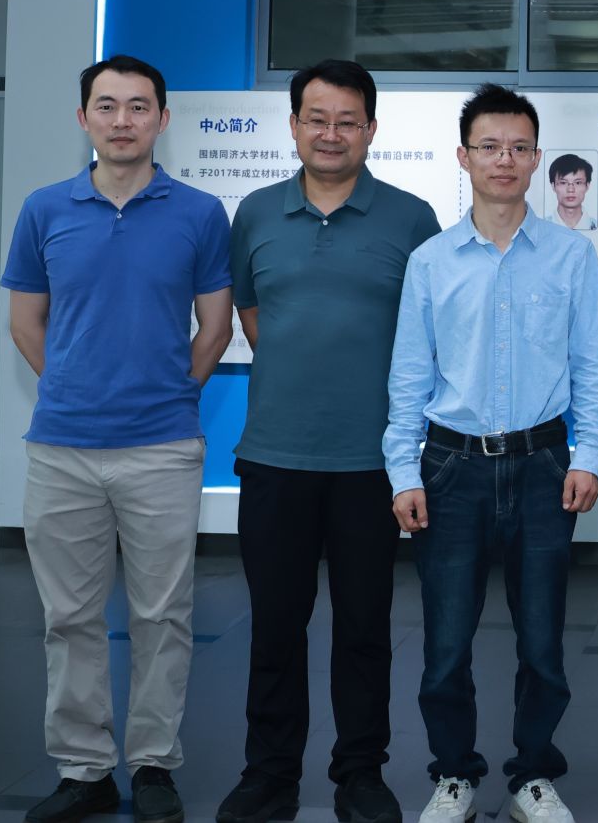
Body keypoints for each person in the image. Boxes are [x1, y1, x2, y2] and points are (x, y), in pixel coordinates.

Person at [2, 55, 234, 823]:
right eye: (107, 105)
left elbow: (215, 326)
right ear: (84, 118)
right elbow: (25, 321)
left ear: (162, 119)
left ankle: (154, 762)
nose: (123, 119)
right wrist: (74, 385)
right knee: (68, 617)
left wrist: (170, 393)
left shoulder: (199, 213)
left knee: (161, 615)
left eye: (139, 106)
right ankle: (84, 769)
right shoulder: (44, 209)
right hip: (61, 447)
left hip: (162, 446)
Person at [216, 60, 442, 823]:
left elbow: (426, 337)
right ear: (293, 125)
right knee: (275, 626)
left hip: (372, 464)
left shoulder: (411, 219)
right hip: (274, 456)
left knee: (365, 627)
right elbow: (254, 317)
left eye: (348, 120)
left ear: (371, 129)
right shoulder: (255, 213)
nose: (331, 133)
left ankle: (361, 772)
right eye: (317, 118)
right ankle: (269, 772)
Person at [386, 84, 598, 823]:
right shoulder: (431, 260)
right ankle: (454, 774)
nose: (504, 159)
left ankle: (531, 776)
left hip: (544, 464)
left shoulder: (572, 255)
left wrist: (588, 453)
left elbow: (592, 364)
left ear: (537, 158)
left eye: (518, 147)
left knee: (543, 641)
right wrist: (403, 469)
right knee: (446, 642)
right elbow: (410, 374)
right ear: (464, 156)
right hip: (451, 468)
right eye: (489, 146)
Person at [547, 153, 596, 230]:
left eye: (578, 183)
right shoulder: (542, 226)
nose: (570, 190)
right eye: (563, 183)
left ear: (587, 186)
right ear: (553, 186)